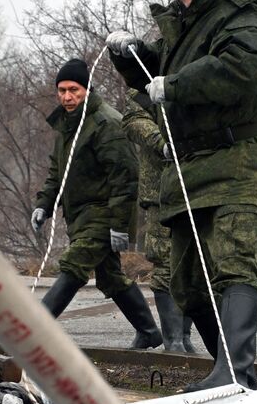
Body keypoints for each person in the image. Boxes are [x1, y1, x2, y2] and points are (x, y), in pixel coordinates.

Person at [107, 0, 257, 391]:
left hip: (241, 157)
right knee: (186, 281)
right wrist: (132, 61)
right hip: (191, 165)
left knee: (233, 262)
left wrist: (176, 83)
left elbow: (242, 69)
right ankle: (225, 368)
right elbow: (157, 78)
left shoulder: (243, 15)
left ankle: (235, 373)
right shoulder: (184, 25)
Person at [31, 59, 160, 349]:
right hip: (81, 215)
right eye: (62, 90)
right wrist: (44, 205)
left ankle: (32, 333)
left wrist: (117, 226)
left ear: (87, 90)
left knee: (73, 265)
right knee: (111, 277)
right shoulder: (68, 125)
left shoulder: (106, 123)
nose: (67, 96)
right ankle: (149, 331)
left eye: (73, 90)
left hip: (103, 214)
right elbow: (57, 172)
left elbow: (126, 179)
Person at [121, 88, 194, 351]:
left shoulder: (198, 66)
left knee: (194, 265)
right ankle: (173, 340)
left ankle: (185, 336)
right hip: (161, 190)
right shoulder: (148, 78)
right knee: (164, 263)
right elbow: (133, 119)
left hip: (200, 185)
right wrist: (162, 142)